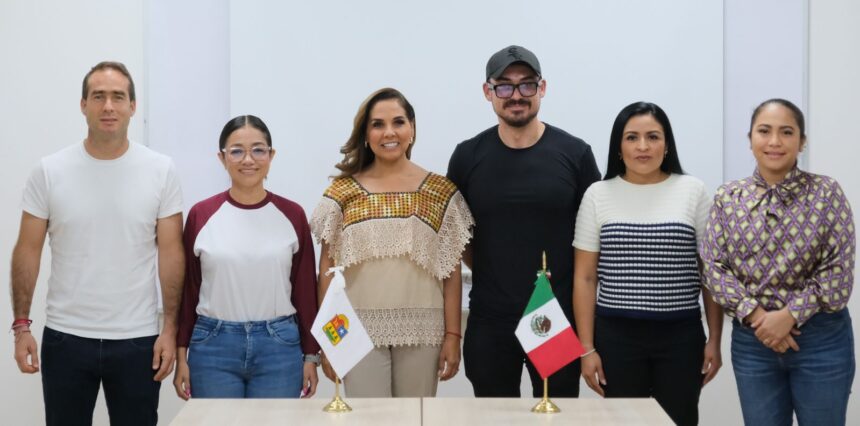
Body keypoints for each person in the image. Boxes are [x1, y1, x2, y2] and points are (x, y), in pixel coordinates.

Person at [10, 61, 184, 426]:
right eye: (99, 96)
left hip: (138, 340)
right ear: (83, 104)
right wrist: (21, 326)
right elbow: (27, 251)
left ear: (132, 106)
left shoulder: (160, 170)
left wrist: (170, 329)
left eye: (118, 97)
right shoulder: (49, 171)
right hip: (66, 338)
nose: (108, 106)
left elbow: (171, 254)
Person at [446, 45, 601, 397]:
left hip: (555, 317)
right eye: (504, 86)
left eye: (527, 85)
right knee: (494, 418)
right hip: (489, 319)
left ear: (542, 88)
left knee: (557, 416)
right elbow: (459, 238)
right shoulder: (467, 156)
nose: (516, 95)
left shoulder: (576, 154)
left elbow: (592, 241)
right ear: (488, 92)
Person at [701, 98, 855, 425]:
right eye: (764, 131)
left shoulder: (826, 192)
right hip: (754, 343)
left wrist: (789, 315)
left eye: (786, 132)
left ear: (802, 141)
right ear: (750, 139)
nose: (774, 142)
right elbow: (715, 269)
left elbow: (839, 271)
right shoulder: (728, 197)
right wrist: (760, 318)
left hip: (821, 341)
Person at [310, 87, 473, 397]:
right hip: (353, 330)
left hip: (423, 330)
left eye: (398, 122)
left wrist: (453, 335)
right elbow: (327, 272)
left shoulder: (440, 192)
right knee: (369, 419)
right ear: (366, 134)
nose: (389, 132)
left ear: (412, 128)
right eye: (377, 124)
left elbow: (451, 273)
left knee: (414, 419)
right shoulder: (342, 192)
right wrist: (328, 342)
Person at [572, 102, 723, 425]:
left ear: (666, 145)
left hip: (681, 338)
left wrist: (714, 339)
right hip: (616, 338)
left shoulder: (692, 191)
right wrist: (586, 348)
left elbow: (710, 273)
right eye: (632, 137)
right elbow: (585, 278)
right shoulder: (598, 194)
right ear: (618, 146)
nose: (643, 146)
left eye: (653, 137)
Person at [173, 115, 320, 399]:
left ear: (271, 155)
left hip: (279, 348)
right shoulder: (201, 215)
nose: (248, 159)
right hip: (213, 347)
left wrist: (310, 356)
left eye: (258, 149)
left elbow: (304, 291)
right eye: (237, 151)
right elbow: (189, 290)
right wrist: (182, 355)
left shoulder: (292, 215)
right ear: (222, 158)